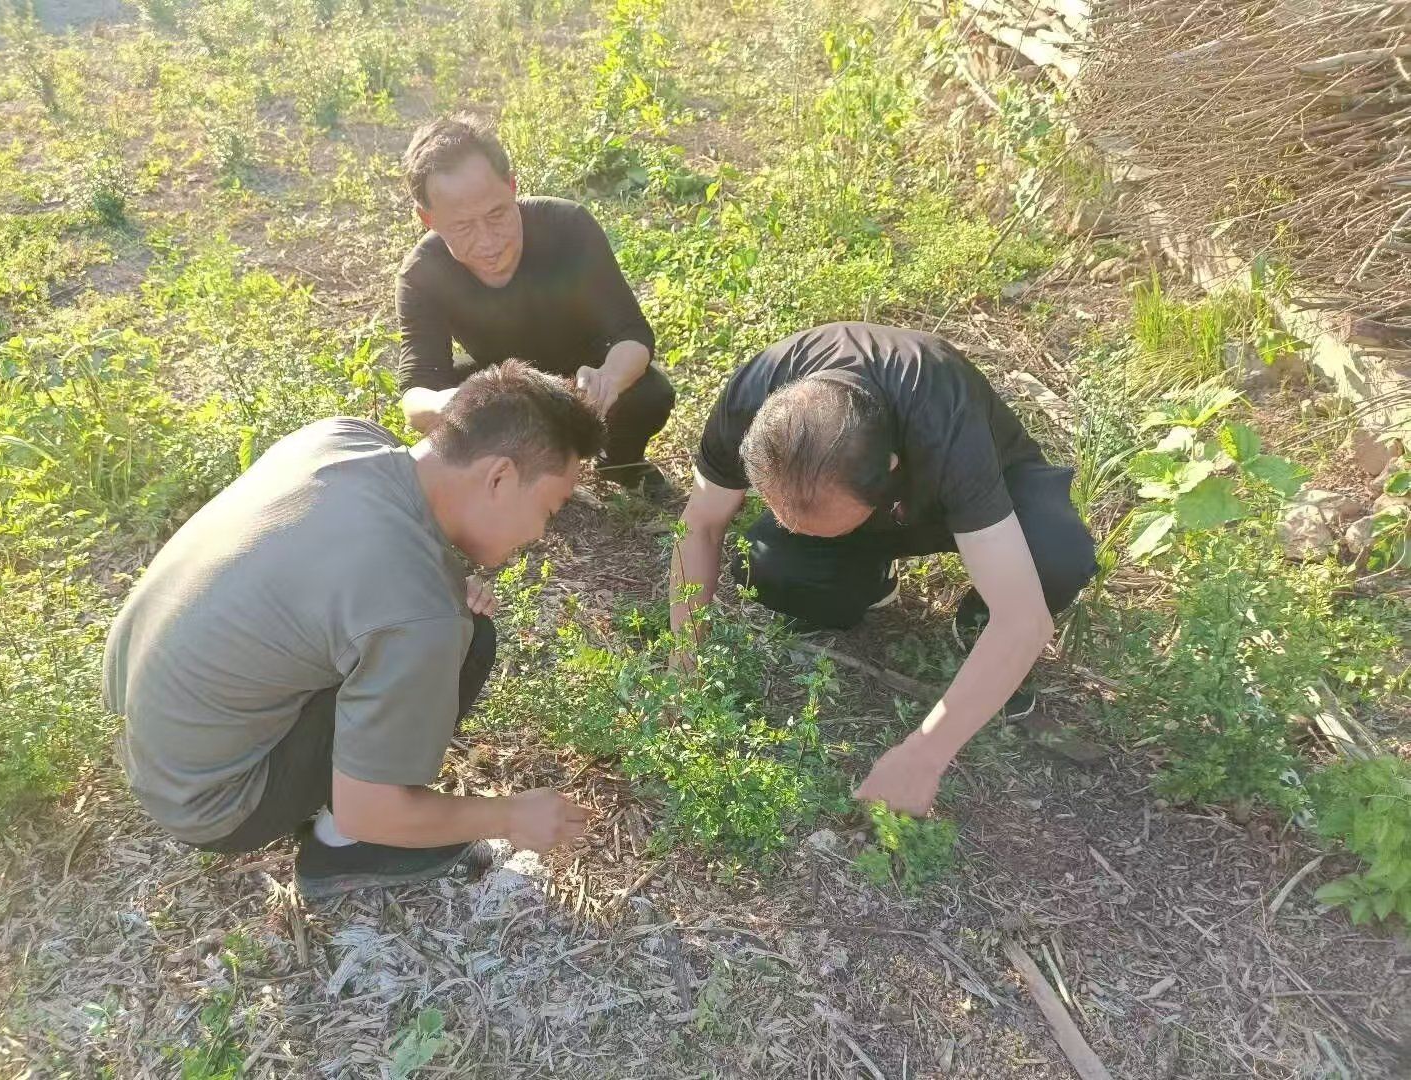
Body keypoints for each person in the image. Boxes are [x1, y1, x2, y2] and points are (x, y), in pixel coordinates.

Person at [103, 362, 602, 899]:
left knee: (434, 625)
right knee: (467, 639)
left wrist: (431, 585)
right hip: (215, 803)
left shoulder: (340, 438)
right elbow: (375, 811)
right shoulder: (420, 610)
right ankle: (337, 848)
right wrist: (510, 816)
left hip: (149, 727)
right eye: (549, 509)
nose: (540, 533)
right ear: (500, 476)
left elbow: (343, 569)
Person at [668, 323, 1097, 817]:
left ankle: (976, 619)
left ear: (892, 470)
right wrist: (684, 665)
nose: (799, 529)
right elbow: (699, 525)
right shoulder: (753, 397)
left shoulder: (944, 419)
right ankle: (871, 578)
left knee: (1055, 557)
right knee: (773, 568)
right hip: (873, 504)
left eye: (818, 525)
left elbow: (1024, 621)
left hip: (986, 492)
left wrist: (923, 755)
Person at [395, 112, 674, 499]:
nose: (489, 241)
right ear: (429, 219)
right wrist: (454, 406)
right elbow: (416, 389)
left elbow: (632, 333)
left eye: (497, 215)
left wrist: (608, 379)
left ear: (511, 187)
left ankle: (618, 465)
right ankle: (518, 481)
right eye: (463, 227)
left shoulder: (567, 226)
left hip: (583, 371)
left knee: (650, 394)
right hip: (503, 382)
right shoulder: (422, 274)